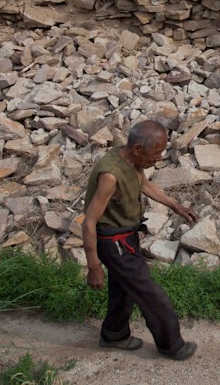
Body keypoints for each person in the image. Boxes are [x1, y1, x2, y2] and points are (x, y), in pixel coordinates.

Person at [82, 119, 198, 360]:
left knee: (123, 288)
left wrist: (175, 205)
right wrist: (93, 265)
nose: (159, 158)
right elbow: (89, 221)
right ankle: (172, 345)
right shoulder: (110, 175)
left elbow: (144, 183)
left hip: (126, 236)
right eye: (156, 152)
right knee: (149, 293)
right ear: (138, 148)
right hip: (114, 243)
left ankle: (114, 334)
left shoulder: (130, 159)